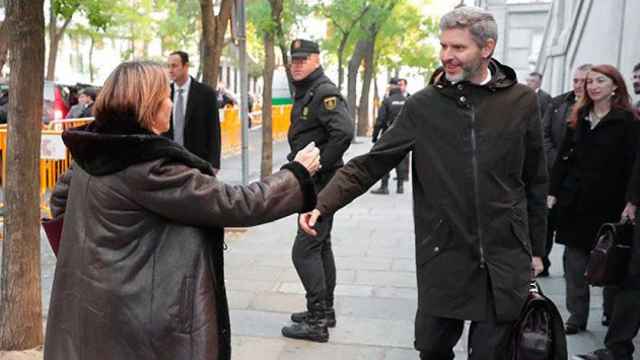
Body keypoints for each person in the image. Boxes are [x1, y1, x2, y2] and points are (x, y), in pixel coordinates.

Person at [300, 7, 546, 359]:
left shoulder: (521, 102)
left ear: (487, 48)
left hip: (504, 256)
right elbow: (371, 163)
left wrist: (536, 249)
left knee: (492, 353)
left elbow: (535, 179)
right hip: (443, 252)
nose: (448, 56)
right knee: (431, 348)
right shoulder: (424, 105)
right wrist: (323, 203)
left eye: (458, 48)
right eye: (444, 46)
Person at [43, 61, 321, 360]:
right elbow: (235, 203)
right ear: (148, 105)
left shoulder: (93, 152)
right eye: (165, 96)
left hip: (94, 306)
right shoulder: (148, 167)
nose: (170, 103)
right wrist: (297, 174)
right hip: (136, 318)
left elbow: (59, 203)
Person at [548, 64, 640, 335]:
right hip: (575, 203)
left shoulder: (628, 121)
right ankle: (576, 316)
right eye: (590, 82)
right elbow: (563, 160)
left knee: (611, 261)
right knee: (574, 264)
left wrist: (631, 202)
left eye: (600, 81)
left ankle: (612, 314)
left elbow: (635, 165)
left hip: (610, 203)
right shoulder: (579, 117)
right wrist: (553, 192)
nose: (593, 86)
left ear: (615, 87)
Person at [280, 38, 354, 343]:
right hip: (314, 182)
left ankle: (317, 320)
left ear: (316, 59)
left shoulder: (323, 91)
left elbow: (344, 132)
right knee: (320, 245)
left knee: (305, 249)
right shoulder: (307, 89)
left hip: (321, 182)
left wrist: (316, 165)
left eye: (303, 59)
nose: (296, 64)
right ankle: (326, 310)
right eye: (293, 60)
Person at [540, 64, 592, 277]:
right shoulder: (558, 103)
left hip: (577, 180)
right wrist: (558, 160)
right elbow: (543, 134)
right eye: (576, 81)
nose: (579, 85)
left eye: (584, 81)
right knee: (546, 221)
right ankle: (542, 260)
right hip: (553, 174)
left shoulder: (594, 109)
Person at [166, 51, 221, 170]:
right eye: (168, 66)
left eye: (174, 66)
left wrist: (214, 164)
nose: (170, 70)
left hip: (198, 162)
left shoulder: (206, 93)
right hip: (170, 163)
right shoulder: (164, 93)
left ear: (186, 66)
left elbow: (214, 130)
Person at [371, 77, 408, 194]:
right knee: (400, 159)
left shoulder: (387, 101)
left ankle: (384, 186)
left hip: (388, 134)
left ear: (391, 86)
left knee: (384, 159)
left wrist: (375, 136)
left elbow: (380, 120)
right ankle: (400, 186)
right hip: (404, 134)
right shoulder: (408, 100)